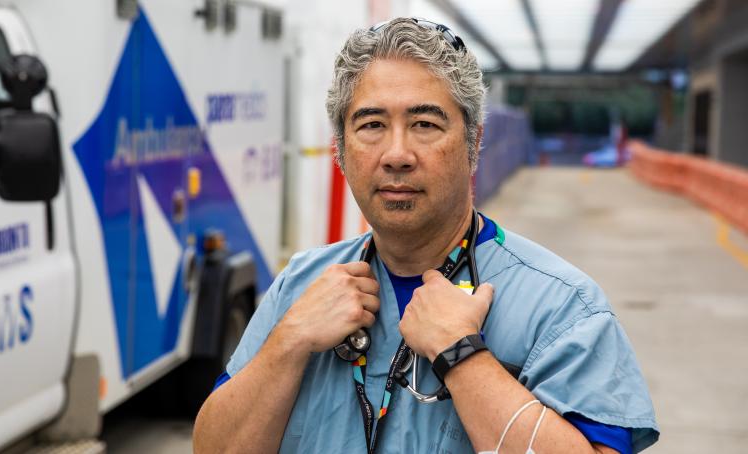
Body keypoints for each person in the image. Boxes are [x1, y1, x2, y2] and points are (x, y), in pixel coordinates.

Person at [193, 17, 659, 454]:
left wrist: (462, 356)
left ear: (473, 143)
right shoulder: (300, 286)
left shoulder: (562, 309)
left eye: (425, 124)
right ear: (341, 151)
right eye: (372, 125)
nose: (397, 154)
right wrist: (290, 340)